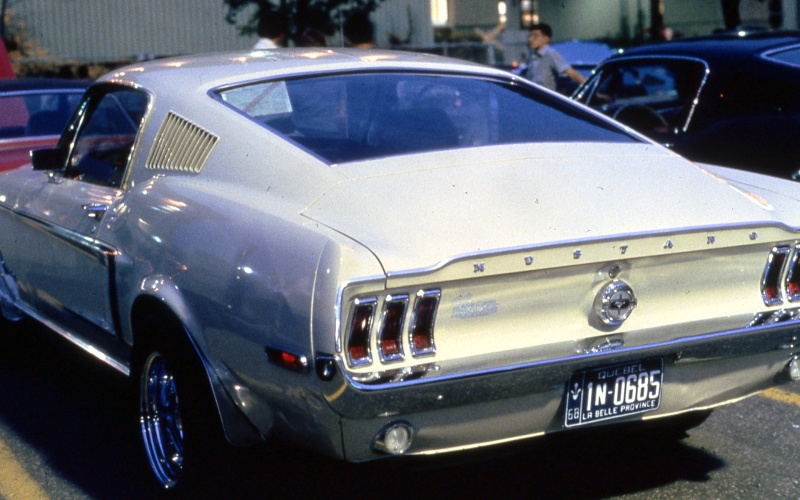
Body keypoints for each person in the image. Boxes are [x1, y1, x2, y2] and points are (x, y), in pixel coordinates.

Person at [524, 23, 585, 92]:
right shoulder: (532, 55)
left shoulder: (551, 54)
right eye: (530, 36)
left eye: (535, 36)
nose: (530, 39)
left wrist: (588, 88)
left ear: (546, 39)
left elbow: (571, 73)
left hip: (544, 98)